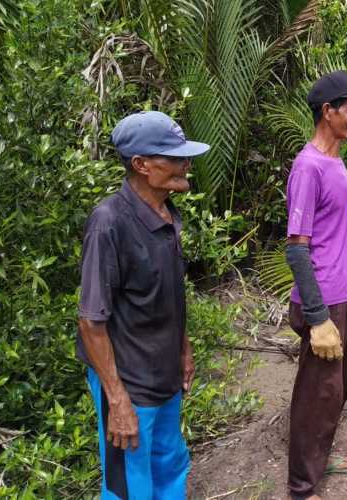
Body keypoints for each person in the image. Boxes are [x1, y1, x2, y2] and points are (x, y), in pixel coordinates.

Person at [77, 110, 210, 498]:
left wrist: (183, 349)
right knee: (129, 484)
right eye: (175, 157)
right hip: (129, 380)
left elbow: (170, 292)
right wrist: (117, 400)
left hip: (165, 374)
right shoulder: (109, 224)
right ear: (140, 165)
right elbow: (91, 321)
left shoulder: (168, 214)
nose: (186, 164)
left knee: (170, 464)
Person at [284, 70, 347, 500]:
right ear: (328, 111)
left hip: (342, 296)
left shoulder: (336, 161)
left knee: (338, 384)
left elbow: (336, 238)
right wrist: (319, 317)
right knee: (316, 394)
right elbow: (298, 249)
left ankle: (319, 459)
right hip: (321, 303)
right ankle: (302, 485)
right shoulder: (308, 167)